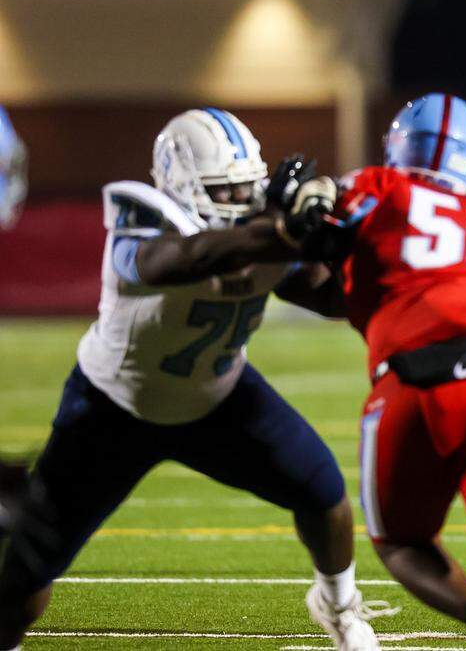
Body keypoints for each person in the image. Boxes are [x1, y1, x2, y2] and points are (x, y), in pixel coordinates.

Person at [0, 109, 382, 651]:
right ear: (181, 186)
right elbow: (182, 259)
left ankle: (339, 605)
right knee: (24, 579)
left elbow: (326, 296)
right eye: (225, 191)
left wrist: (337, 244)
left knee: (324, 495)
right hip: (113, 408)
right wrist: (280, 232)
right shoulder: (146, 223)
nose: (241, 201)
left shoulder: (263, 228)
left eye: (247, 189)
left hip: (221, 397)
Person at [328, 93, 466, 651]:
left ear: (399, 147)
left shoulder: (378, 186)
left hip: (421, 377)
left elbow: (322, 233)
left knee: (401, 542)